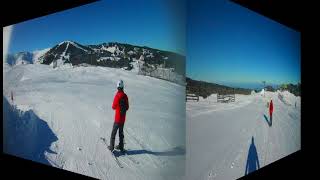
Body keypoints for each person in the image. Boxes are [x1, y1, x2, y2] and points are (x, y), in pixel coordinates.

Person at [108, 80, 129, 152]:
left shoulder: (117, 96)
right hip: (123, 119)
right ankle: (121, 146)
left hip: (117, 119)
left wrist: (117, 107)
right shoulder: (125, 96)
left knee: (113, 133)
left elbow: (113, 107)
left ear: (117, 87)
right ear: (123, 87)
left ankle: (111, 147)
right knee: (121, 133)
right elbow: (127, 107)